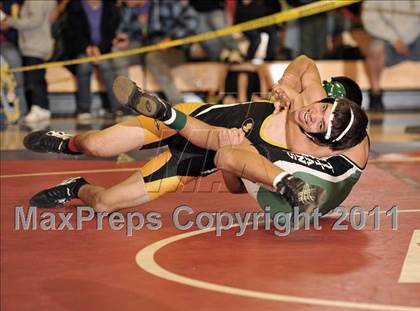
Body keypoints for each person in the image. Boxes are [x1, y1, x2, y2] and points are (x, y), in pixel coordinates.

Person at [25, 55, 367, 226]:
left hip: (195, 158)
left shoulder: (301, 153)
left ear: (322, 140)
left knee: (103, 205)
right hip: (194, 116)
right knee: (95, 146)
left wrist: (234, 154)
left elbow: (234, 186)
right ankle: (68, 143)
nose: (313, 113)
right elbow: (306, 63)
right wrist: (287, 80)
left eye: (319, 121)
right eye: (321, 106)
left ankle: (75, 187)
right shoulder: (307, 103)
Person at [62, 0, 121, 121]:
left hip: (103, 50)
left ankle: (117, 108)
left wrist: (100, 49)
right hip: (81, 49)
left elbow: (111, 33)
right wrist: (86, 48)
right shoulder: (74, 6)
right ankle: (84, 109)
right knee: (83, 65)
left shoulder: (111, 7)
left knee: (107, 66)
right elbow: (71, 33)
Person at [362, 0, 420, 111]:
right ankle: (376, 95)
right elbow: (369, 20)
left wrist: (406, 38)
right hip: (387, 41)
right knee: (375, 48)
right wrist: (394, 39)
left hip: (416, 37)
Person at [4, 0, 56, 123]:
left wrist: (11, 22)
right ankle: (41, 107)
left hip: (35, 45)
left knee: (34, 79)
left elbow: (34, 20)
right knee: (38, 77)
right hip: (38, 43)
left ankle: (39, 107)